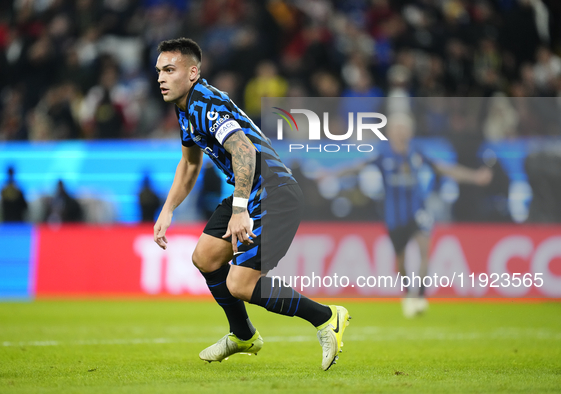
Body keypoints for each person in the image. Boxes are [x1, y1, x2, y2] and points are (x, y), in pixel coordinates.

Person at [152, 38, 350, 370]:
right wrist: (168, 209)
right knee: (205, 257)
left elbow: (244, 151)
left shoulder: (206, 103)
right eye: (159, 70)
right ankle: (242, 335)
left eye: (169, 70)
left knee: (240, 284)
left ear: (192, 73)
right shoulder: (185, 108)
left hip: (275, 192)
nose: (161, 77)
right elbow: (189, 165)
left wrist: (241, 209)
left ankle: (328, 317)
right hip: (253, 190)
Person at [329, 113, 492, 317]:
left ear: (410, 131)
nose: (401, 132)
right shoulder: (382, 153)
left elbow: (443, 168)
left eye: (404, 128)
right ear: (389, 133)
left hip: (418, 210)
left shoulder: (417, 151)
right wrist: (331, 173)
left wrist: (474, 177)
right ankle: (408, 294)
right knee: (401, 263)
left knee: (425, 248)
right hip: (394, 216)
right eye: (397, 129)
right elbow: (356, 168)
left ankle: (420, 295)